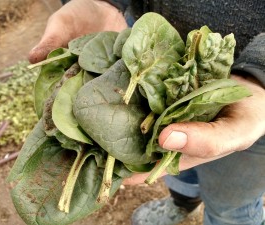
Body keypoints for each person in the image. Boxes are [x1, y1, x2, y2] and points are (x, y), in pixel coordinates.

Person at [28, 0, 265, 224]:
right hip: (151, 47)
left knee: (231, 204)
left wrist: (260, 71)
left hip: (252, 102)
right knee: (171, 156)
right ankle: (183, 202)